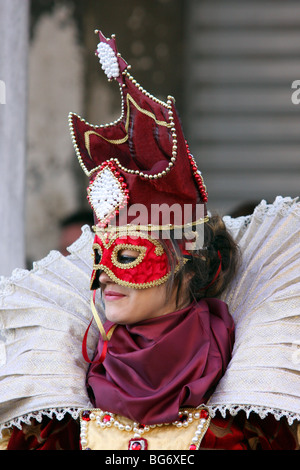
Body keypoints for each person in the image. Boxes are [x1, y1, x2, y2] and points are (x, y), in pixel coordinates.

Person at [0, 31, 299, 451]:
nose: (102, 277)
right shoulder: (54, 400)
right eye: (100, 255)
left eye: (126, 254)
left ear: (187, 260)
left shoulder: (264, 402)